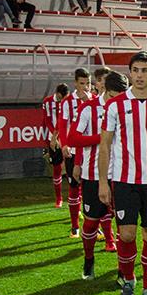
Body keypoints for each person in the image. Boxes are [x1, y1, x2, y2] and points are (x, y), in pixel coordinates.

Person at [98, 51, 147, 295]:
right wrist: (103, 182)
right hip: (124, 181)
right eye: (135, 70)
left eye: (144, 71)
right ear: (130, 73)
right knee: (126, 235)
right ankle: (129, 281)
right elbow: (104, 145)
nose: (139, 75)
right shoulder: (115, 105)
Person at [67, 68, 126, 280]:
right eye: (112, 97)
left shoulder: (127, 107)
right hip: (93, 175)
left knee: (125, 227)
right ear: (104, 89)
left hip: (123, 175)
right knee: (91, 221)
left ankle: (123, 270)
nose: (116, 102)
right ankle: (89, 260)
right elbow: (72, 138)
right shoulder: (88, 109)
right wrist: (101, 138)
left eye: (120, 98)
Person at [59, 68, 92, 237]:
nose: (86, 87)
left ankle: (93, 225)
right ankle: (74, 226)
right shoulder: (67, 102)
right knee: (74, 186)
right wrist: (64, 145)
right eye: (82, 83)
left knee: (90, 190)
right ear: (75, 83)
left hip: (91, 151)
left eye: (88, 83)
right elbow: (62, 124)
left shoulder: (94, 100)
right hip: (73, 150)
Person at [41, 83, 69, 207]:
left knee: (71, 168)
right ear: (57, 94)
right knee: (57, 168)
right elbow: (47, 120)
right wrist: (54, 137)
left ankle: (75, 197)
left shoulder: (68, 102)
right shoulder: (47, 102)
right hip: (53, 139)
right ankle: (59, 198)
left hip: (67, 138)